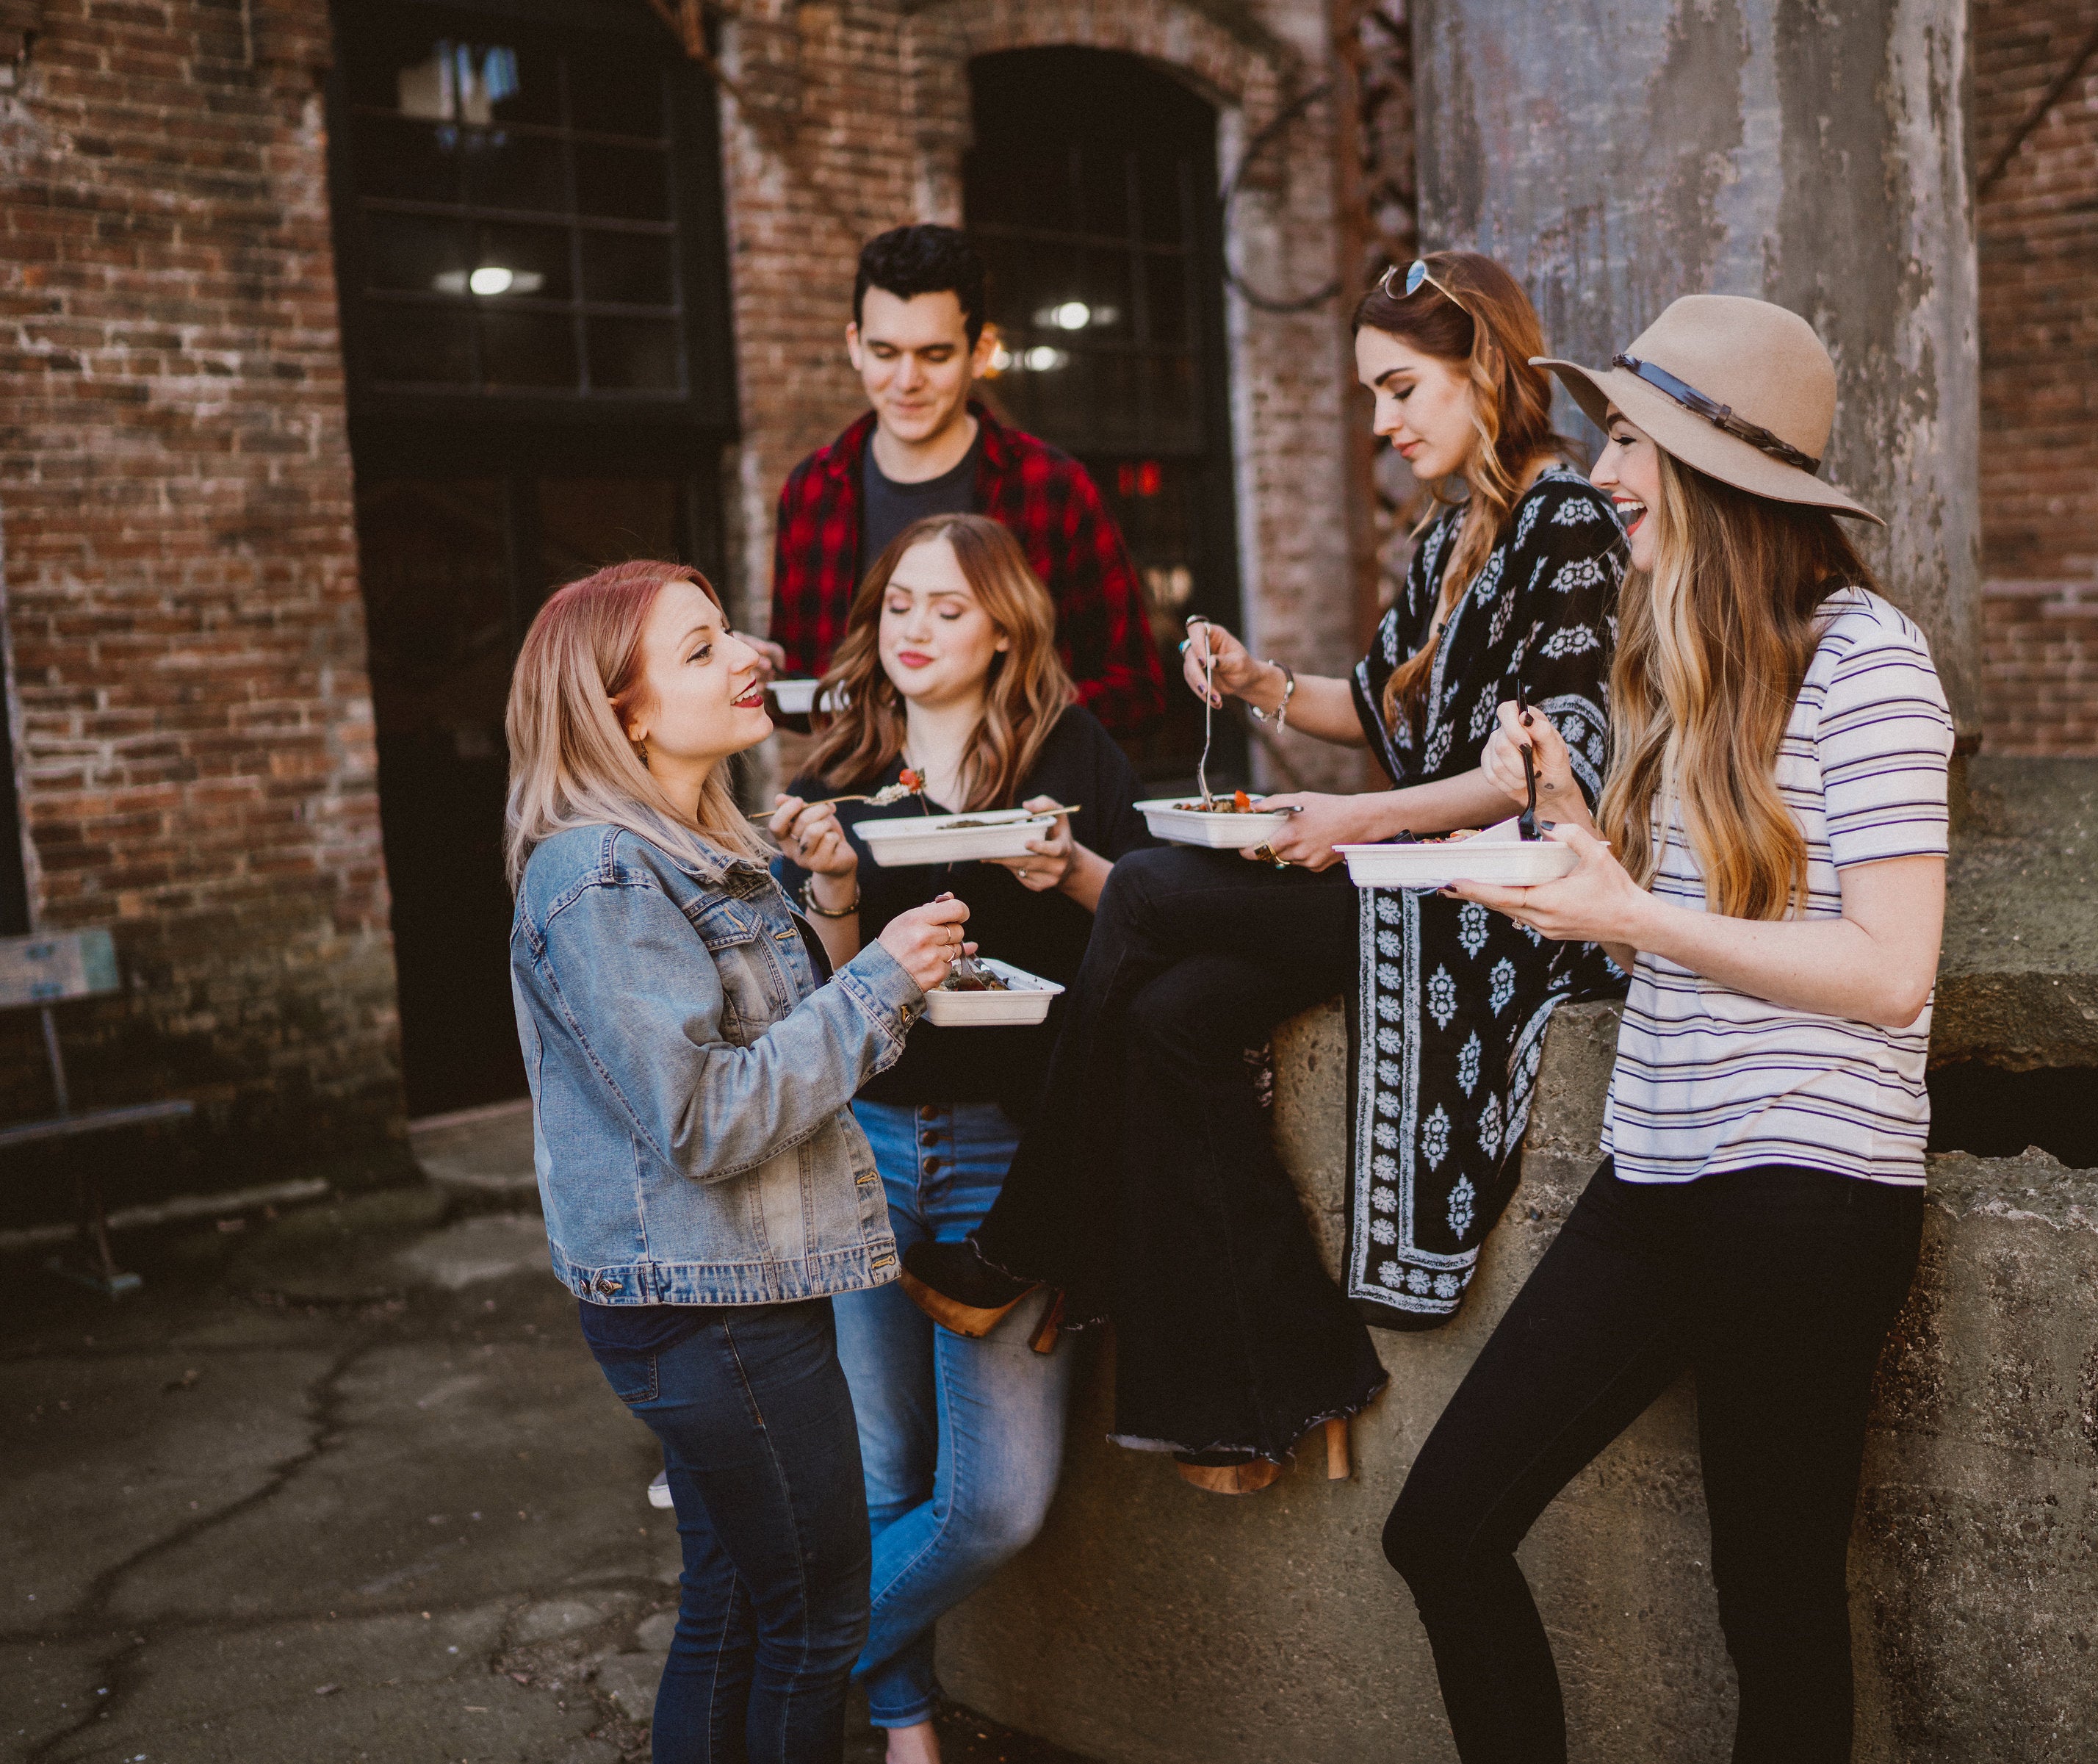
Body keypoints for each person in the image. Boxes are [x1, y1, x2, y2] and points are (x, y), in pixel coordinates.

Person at [901, 251, 1631, 1491]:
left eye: (1402, 389)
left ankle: (1029, 1234)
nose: (1384, 422)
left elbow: (1548, 757)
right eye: (1372, 396)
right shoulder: (1454, 527)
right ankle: (1277, 1378)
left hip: (1494, 905)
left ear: (1488, 371)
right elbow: (1381, 699)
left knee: (1139, 888)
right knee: (1175, 1018)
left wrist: (1356, 822)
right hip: (1404, 873)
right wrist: (1259, 685)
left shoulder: (1571, 521)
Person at [1377, 297, 1955, 1764]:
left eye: (1633, 434)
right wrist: (1572, 839)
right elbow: (1679, 916)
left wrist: (1632, 921)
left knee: (1772, 1613)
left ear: (1712, 466)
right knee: (1442, 1530)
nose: (1604, 463)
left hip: (1812, 1191)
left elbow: (1891, 972)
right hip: (1662, 1172)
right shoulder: (1677, 659)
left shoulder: (1870, 663)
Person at [503, 561, 976, 1764]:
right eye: (702, 649)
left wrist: (828, 898)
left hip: (739, 1289)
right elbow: (711, 1115)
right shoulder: (601, 874)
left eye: (732, 634)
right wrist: (886, 980)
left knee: (732, 1603)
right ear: (629, 713)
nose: (748, 658)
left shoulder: (702, 844)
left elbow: (782, 1038)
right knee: (816, 1621)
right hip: (707, 1311)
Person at [763, 514, 1155, 1760]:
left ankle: (773, 1662)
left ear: (1003, 626)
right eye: (898, 607)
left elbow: (1148, 925)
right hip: (864, 1143)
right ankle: (906, 1724)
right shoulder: (835, 776)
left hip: (1012, 1150)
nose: (916, 630)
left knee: (994, 1503)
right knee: (887, 1474)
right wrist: (830, 888)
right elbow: (818, 1002)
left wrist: (1074, 868)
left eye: (947, 608)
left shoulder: (1069, 753)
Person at [771, 223, 1165, 736]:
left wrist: (999, 715)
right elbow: (804, 700)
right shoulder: (812, 492)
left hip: (1017, 809)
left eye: (935, 355)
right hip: (862, 810)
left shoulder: (1052, 487)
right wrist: (767, 681)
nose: (907, 380)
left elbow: (1137, 691)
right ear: (856, 345)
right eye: (886, 352)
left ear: (979, 351)